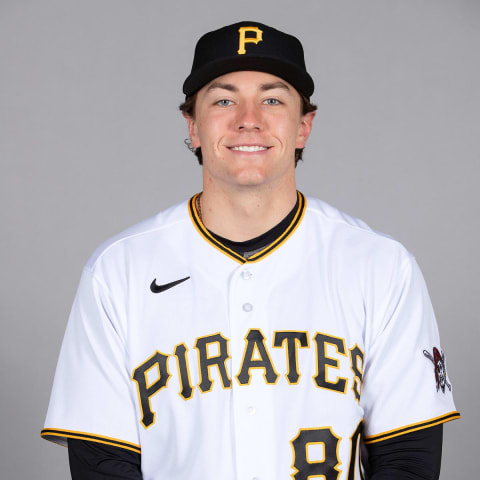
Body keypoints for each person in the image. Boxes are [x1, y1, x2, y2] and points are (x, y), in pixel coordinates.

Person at [42, 21, 459, 479]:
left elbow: (409, 461)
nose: (248, 117)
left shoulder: (381, 267)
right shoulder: (117, 271)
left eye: (272, 99)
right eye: (223, 99)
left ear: (303, 126)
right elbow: (101, 464)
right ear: (193, 125)